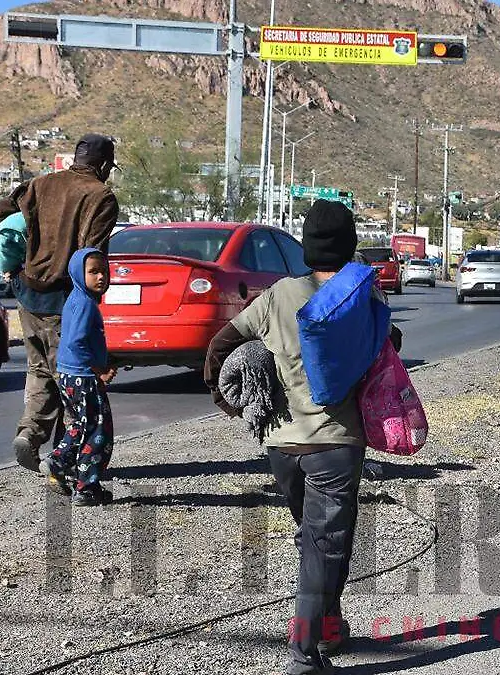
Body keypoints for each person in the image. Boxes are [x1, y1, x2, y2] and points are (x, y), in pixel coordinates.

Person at [204, 200, 382, 675]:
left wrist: (233, 403)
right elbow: (389, 346)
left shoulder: (278, 294)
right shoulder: (362, 295)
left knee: (317, 541)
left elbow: (221, 345)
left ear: (306, 246)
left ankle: (330, 626)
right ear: (348, 246)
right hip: (336, 445)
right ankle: (304, 655)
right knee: (325, 547)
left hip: (281, 446)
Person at [9, 134, 119, 471]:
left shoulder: (40, 184)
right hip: (64, 300)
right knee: (73, 374)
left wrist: (16, 265)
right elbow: (90, 255)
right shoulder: (101, 196)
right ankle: (69, 459)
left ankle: (29, 434)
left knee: (39, 368)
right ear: (102, 165)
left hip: (27, 295)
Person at [40, 248, 117, 506]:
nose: (101, 277)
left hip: (68, 376)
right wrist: (100, 370)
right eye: (93, 272)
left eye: (104, 271)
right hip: (84, 378)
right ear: (77, 273)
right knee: (97, 431)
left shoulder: (76, 298)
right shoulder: (84, 303)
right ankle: (87, 487)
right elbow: (76, 342)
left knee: (79, 425)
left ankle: (58, 462)